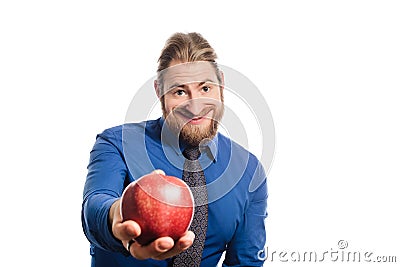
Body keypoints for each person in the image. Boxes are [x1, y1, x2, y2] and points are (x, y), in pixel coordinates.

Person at [82, 32, 268, 267]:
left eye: (205, 88)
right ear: (159, 91)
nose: (195, 105)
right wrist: (116, 216)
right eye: (179, 91)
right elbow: (95, 205)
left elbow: (246, 262)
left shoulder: (249, 171)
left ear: (221, 84)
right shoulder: (117, 143)